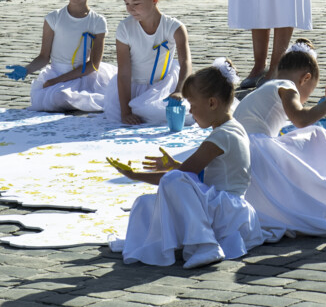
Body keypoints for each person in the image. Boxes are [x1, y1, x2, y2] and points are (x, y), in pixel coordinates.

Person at [110, 59, 267, 268]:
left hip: (226, 212)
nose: (190, 112)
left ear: (212, 103)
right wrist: (173, 164)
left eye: (193, 105)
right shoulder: (232, 127)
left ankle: (205, 245)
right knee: (144, 203)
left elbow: (180, 178)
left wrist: (135, 175)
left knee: (173, 180)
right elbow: (192, 174)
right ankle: (144, 243)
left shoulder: (222, 136)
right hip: (220, 206)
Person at [235, 40, 326, 238]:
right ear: (305, 78)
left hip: (241, 151)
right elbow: (301, 119)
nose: (304, 100)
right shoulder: (287, 86)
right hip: (255, 154)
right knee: (319, 135)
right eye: (309, 93)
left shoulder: (265, 88)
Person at [5, 0, 116, 113]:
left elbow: (93, 65)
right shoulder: (54, 18)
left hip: (84, 75)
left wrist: (56, 81)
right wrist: (26, 69)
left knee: (68, 96)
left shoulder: (97, 22)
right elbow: (44, 57)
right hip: (57, 72)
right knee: (58, 97)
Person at [99, 0, 191, 125]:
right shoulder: (125, 28)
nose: (130, 9)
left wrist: (179, 91)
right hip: (133, 87)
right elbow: (124, 72)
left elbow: (185, 62)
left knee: (183, 115)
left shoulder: (174, 27)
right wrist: (126, 112)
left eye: (136, 3)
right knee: (135, 115)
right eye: (127, 4)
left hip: (163, 86)